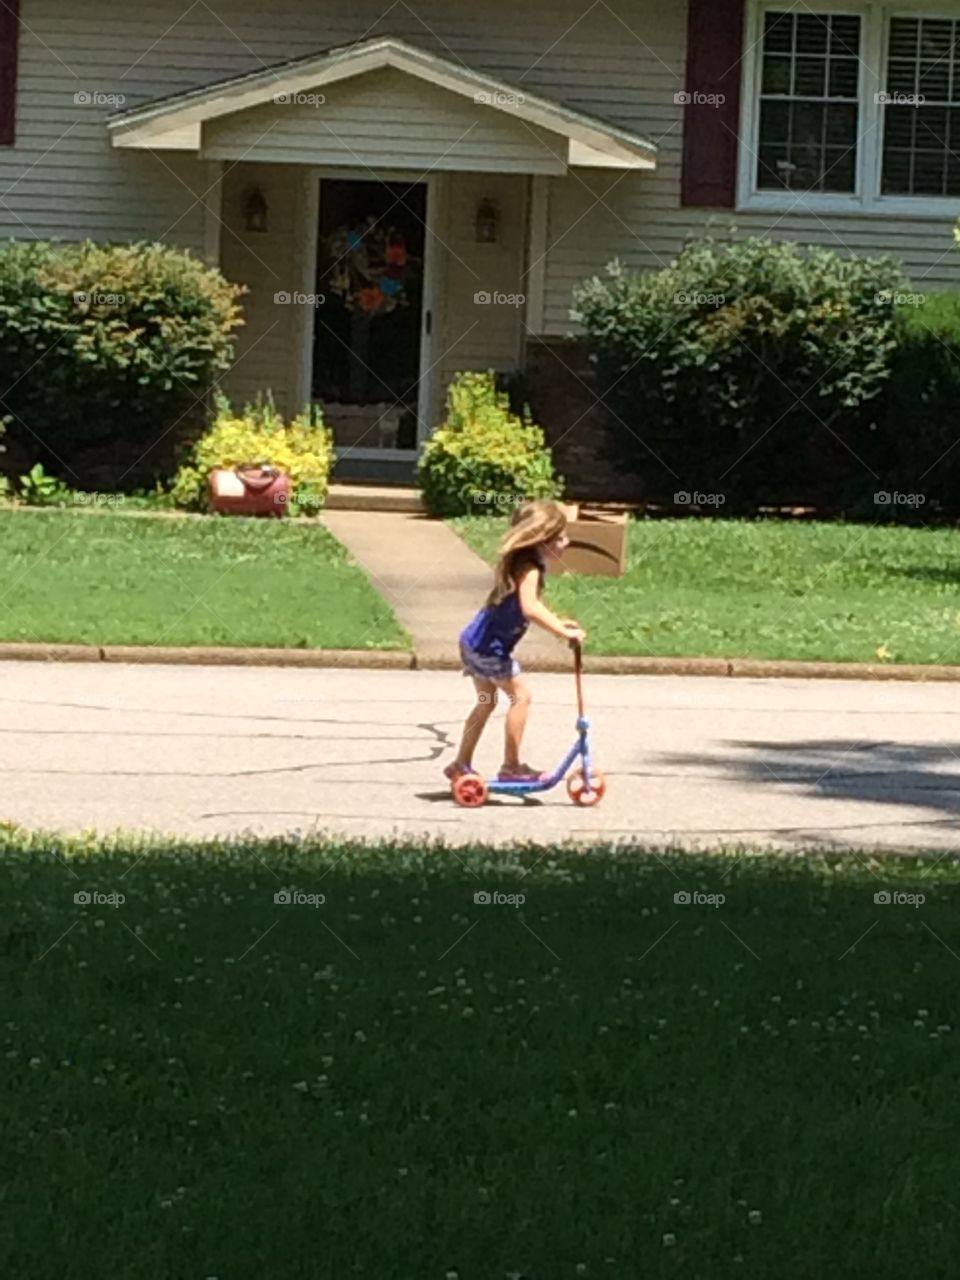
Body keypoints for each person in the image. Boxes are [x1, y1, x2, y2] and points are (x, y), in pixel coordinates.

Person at [445, 499, 586, 783]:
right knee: (521, 697)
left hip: (474, 643)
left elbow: (527, 603)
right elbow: (529, 607)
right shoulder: (529, 567)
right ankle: (511, 767)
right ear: (542, 539)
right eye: (560, 537)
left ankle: (461, 763)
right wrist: (563, 633)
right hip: (489, 650)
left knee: (486, 702)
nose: (566, 542)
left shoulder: (523, 562)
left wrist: (559, 622)